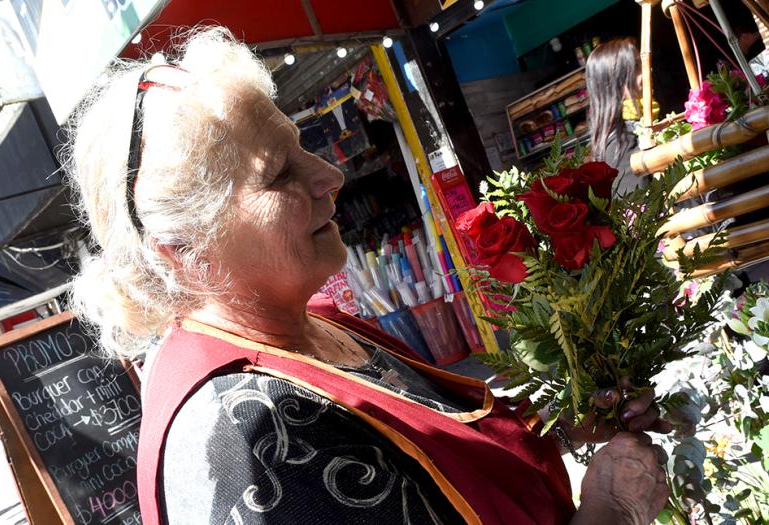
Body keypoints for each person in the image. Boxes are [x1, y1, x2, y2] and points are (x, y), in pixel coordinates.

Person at [65, 27, 669, 525]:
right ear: (184, 247)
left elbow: (436, 454)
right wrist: (613, 511)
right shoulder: (250, 433)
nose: (329, 174)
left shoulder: (311, 324)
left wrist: (564, 424)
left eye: (302, 146)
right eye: (278, 174)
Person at [585, 38, 649, 197]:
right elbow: (639, 211)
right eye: (637, 67)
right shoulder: (618, 146)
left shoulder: (636, 128)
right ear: (616, 85)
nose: (648, 72)